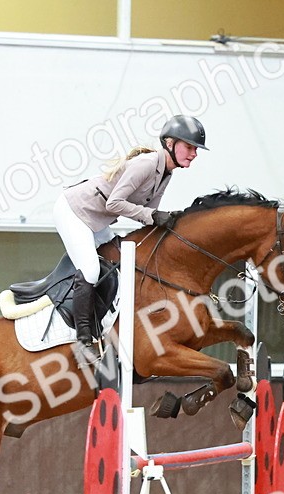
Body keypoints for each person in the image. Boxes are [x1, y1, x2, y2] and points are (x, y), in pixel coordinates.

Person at [54, 114, 207, 364]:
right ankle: (82, 343)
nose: (194, 154)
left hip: (99, 219)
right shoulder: (146, 164)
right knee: (91, 271)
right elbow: (116, 203)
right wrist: (153, 215)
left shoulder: (166, 174)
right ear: (170, 143)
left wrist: (171, 223)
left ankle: (108, 328)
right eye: (190, 147)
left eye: (195, 149)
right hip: (75, 211)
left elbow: (149, 216)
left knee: (120, 264)